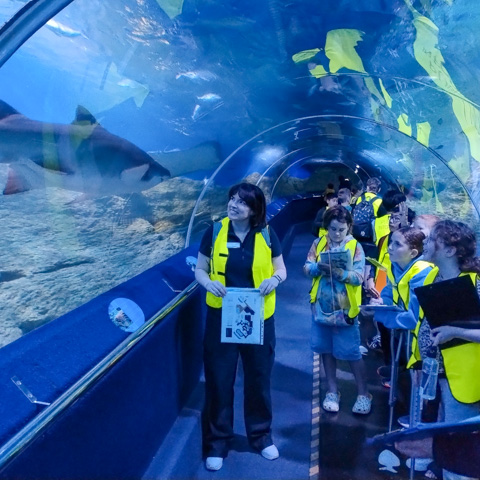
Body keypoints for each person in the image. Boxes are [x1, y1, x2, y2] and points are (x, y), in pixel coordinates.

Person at [195, 183, 287, 471]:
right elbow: (200, 269)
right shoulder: (215, 231)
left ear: (254, 210)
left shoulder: (267, 234)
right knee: (219, 379)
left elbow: (281, 269)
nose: (233, 205)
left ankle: (261, 436)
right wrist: (208, 282)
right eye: (232, 198)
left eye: (242, 202)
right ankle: (218, 442)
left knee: (258, 378)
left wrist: (275, 280)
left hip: (258, 317)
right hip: (222, 316)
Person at [409, 220, 480, 480]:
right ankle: (438, 466)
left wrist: (456, 332)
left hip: (464, 379)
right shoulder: (431, 275)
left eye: (432, 240)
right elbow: (422, 325)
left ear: (450, 250)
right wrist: (416, 361)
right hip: (431, 371)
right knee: (437, 431)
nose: (425, 243)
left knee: (460, 444)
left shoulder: (475, 283)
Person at [304, 205, 372, 414]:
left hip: (345, 309)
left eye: (341, 229)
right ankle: (332, 390)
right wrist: (318, 268)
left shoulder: (355, 247)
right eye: (333, 229)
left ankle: (363, 394)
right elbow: (307, 267)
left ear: (349, 227)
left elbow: (359, 277)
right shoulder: (319, 243)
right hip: (322, 307)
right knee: (326, 349)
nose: (337, 233)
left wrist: (340, 273)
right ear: (327, 227)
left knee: (351, 352)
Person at [371, 227, 432, 387]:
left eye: (397, 244)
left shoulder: (422, 273)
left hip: (418, 338)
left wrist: (379, 314)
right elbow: (390, 290)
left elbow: (413, 318)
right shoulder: (395, 265)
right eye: (391, 242)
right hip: (401, 327)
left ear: (412, 253)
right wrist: (382, 303)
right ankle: (395, 369)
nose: (390, 247)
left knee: (418, 382)